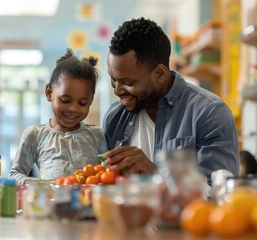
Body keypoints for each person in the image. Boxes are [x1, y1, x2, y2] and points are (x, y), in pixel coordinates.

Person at [102, 17, 239, 183]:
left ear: (159, 73)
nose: (117, 90)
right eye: (113, 80)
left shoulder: (209, 113)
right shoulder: (114, 117)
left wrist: (155, 174)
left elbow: (219, 191)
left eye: (128, 82)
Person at [9, 49, 108, 184]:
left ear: (91, 100)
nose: (73, 109)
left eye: (82, 103)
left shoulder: (97, 136)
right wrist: (43, 185)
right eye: (65, 100)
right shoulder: (35, 135)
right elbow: (15, 173)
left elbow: (106, 174)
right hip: (50, 204)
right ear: (49, 93)